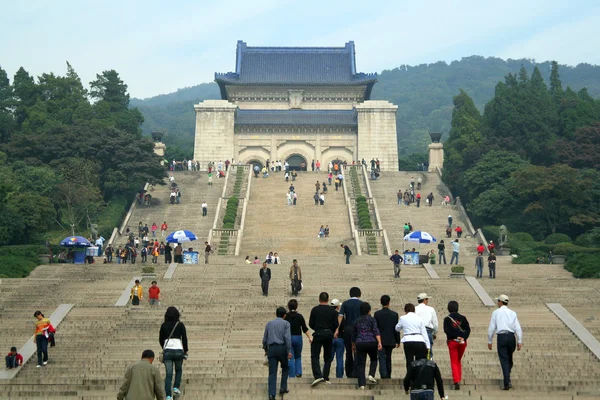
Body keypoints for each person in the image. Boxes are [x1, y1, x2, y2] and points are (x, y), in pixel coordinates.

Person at [488, 294, 523, 390]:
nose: (497, 303)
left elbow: (492, 328)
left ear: (500, 302)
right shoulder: (513, 313)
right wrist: (519, 341)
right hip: (511, 337)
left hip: (502, 337)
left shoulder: (496, 313)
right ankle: (507, 378)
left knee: (504, 360)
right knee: (509, 359)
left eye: (498, 301)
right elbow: (518, 328)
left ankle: (506, 381)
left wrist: (489, 340)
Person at [309, 292, 339, 387]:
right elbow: (336, 324)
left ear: (319, 299)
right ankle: (325, 376)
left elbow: (310, 323)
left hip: (318, 333)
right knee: (328, 357)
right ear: (328, 299)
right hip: (329, 334)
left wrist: (317, 328)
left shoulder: (315, 310)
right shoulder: (333, 311)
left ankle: (318, 375)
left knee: (315, 355)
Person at [263, 307, 292, 400]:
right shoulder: (286, 324)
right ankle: (283, 387)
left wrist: (265, 350)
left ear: (276, 314)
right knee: (285, 367)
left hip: (271, 348)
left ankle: (271, 394)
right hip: (282, 348)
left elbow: (265, 338)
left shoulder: (269, 324)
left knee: (272, 372)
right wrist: (288, 351)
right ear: (284, 315)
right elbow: (287, 338)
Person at [159, 307, 188, 399]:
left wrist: (164, 347)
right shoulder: (180, 325)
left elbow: (160, 339)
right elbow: (184, 338)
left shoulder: (163, 325)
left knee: (168, 374)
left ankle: (168, 395)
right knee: (178, 370)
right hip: (178, 350)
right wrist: (185, 350)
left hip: (168, 351)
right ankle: (176, 387)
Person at [352, 302, 382, 389]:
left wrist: (353, 345)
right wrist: (379, 342)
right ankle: (371, 374)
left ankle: (361, 384)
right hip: (371, 342)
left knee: (360, 363)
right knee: (373, 359)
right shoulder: (372, 319)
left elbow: (353, 335)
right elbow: (376, 331)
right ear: (369, 310)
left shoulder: (356, 321)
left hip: (360, 342)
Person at [443, 300, 470, 390]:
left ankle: (457, 380)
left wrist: (455, 336)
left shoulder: (447, 319)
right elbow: (468, 329)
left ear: (448, 308)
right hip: (462, 342)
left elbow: (447, 331)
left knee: (454, 361)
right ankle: (458, 377)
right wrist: (463, 337)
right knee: (458, 360)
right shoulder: (463, 318)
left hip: (453, 342)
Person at [336, 287, 362, 378]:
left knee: (348, 351)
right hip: (358, 330)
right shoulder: (362, 304)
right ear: (359, 294)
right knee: (357, 352)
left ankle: (349, 372)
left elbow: (340, 316)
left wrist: (337, 329)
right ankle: (356, 372)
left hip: (347, 329)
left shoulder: (345, 304)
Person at [395, 303, 430, 371]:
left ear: (405, 311)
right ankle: (419, 376)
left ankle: (410, 377)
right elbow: (424, 332)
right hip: (419, 340)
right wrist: (428, 345)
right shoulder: (420, 318)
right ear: (414, 310)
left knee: (409, 360)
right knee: (419, 360)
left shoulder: (403, 318)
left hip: (408, 340)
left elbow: (397, 328)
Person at [374, 295, 400, 379]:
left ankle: (383, 374)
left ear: (381, 302)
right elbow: (396, 329)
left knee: (381, 357)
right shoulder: (394, 315)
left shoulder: (377, 314)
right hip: (391, 339)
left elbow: (375, 328)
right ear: (389, 302)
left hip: (380, 340)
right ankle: (388, 374)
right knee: (388, 357)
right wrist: (398, 340)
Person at [285, 299, 312, 378]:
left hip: (289, 338)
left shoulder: (286, 316)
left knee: (290, 356)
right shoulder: (299, 316)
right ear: (296, 307)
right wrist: (310, 337)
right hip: (298, 338)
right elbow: (304, 328)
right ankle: (298, 372)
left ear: (288, 306)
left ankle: (291, 374)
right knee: (298, 356)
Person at [415, 293, 438, 359]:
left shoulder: (414, 309)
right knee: (429, 352)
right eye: (427, 299)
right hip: (428, 331)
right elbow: (435, 323)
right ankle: (429, 366)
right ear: (424, 300)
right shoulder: (431, 309)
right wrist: (434, 333)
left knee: (418, 353)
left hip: (418, 332)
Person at [330, 299, 345, 379]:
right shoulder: (340, 316)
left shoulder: (328, 315)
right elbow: (343, 327)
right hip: (340, 338)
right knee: (339, 358)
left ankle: (324, 375)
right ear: (337, 306)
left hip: (330, 339)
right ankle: (339, 376)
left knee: (328, 358)